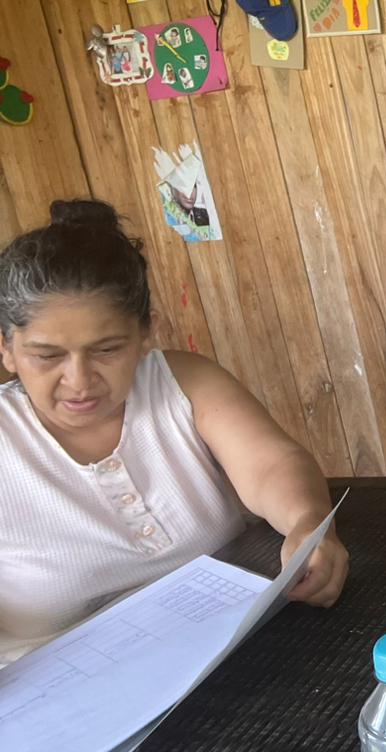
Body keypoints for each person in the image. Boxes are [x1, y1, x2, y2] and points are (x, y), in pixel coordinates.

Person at [0, 200, 348, 666]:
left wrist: (307, 524)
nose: (79, 380)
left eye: (106, 350)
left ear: (147, 332)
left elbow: (271, 464)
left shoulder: (182, 383)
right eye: (47, 356)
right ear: (6, 348)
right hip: (58, 680)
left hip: (223, 647)